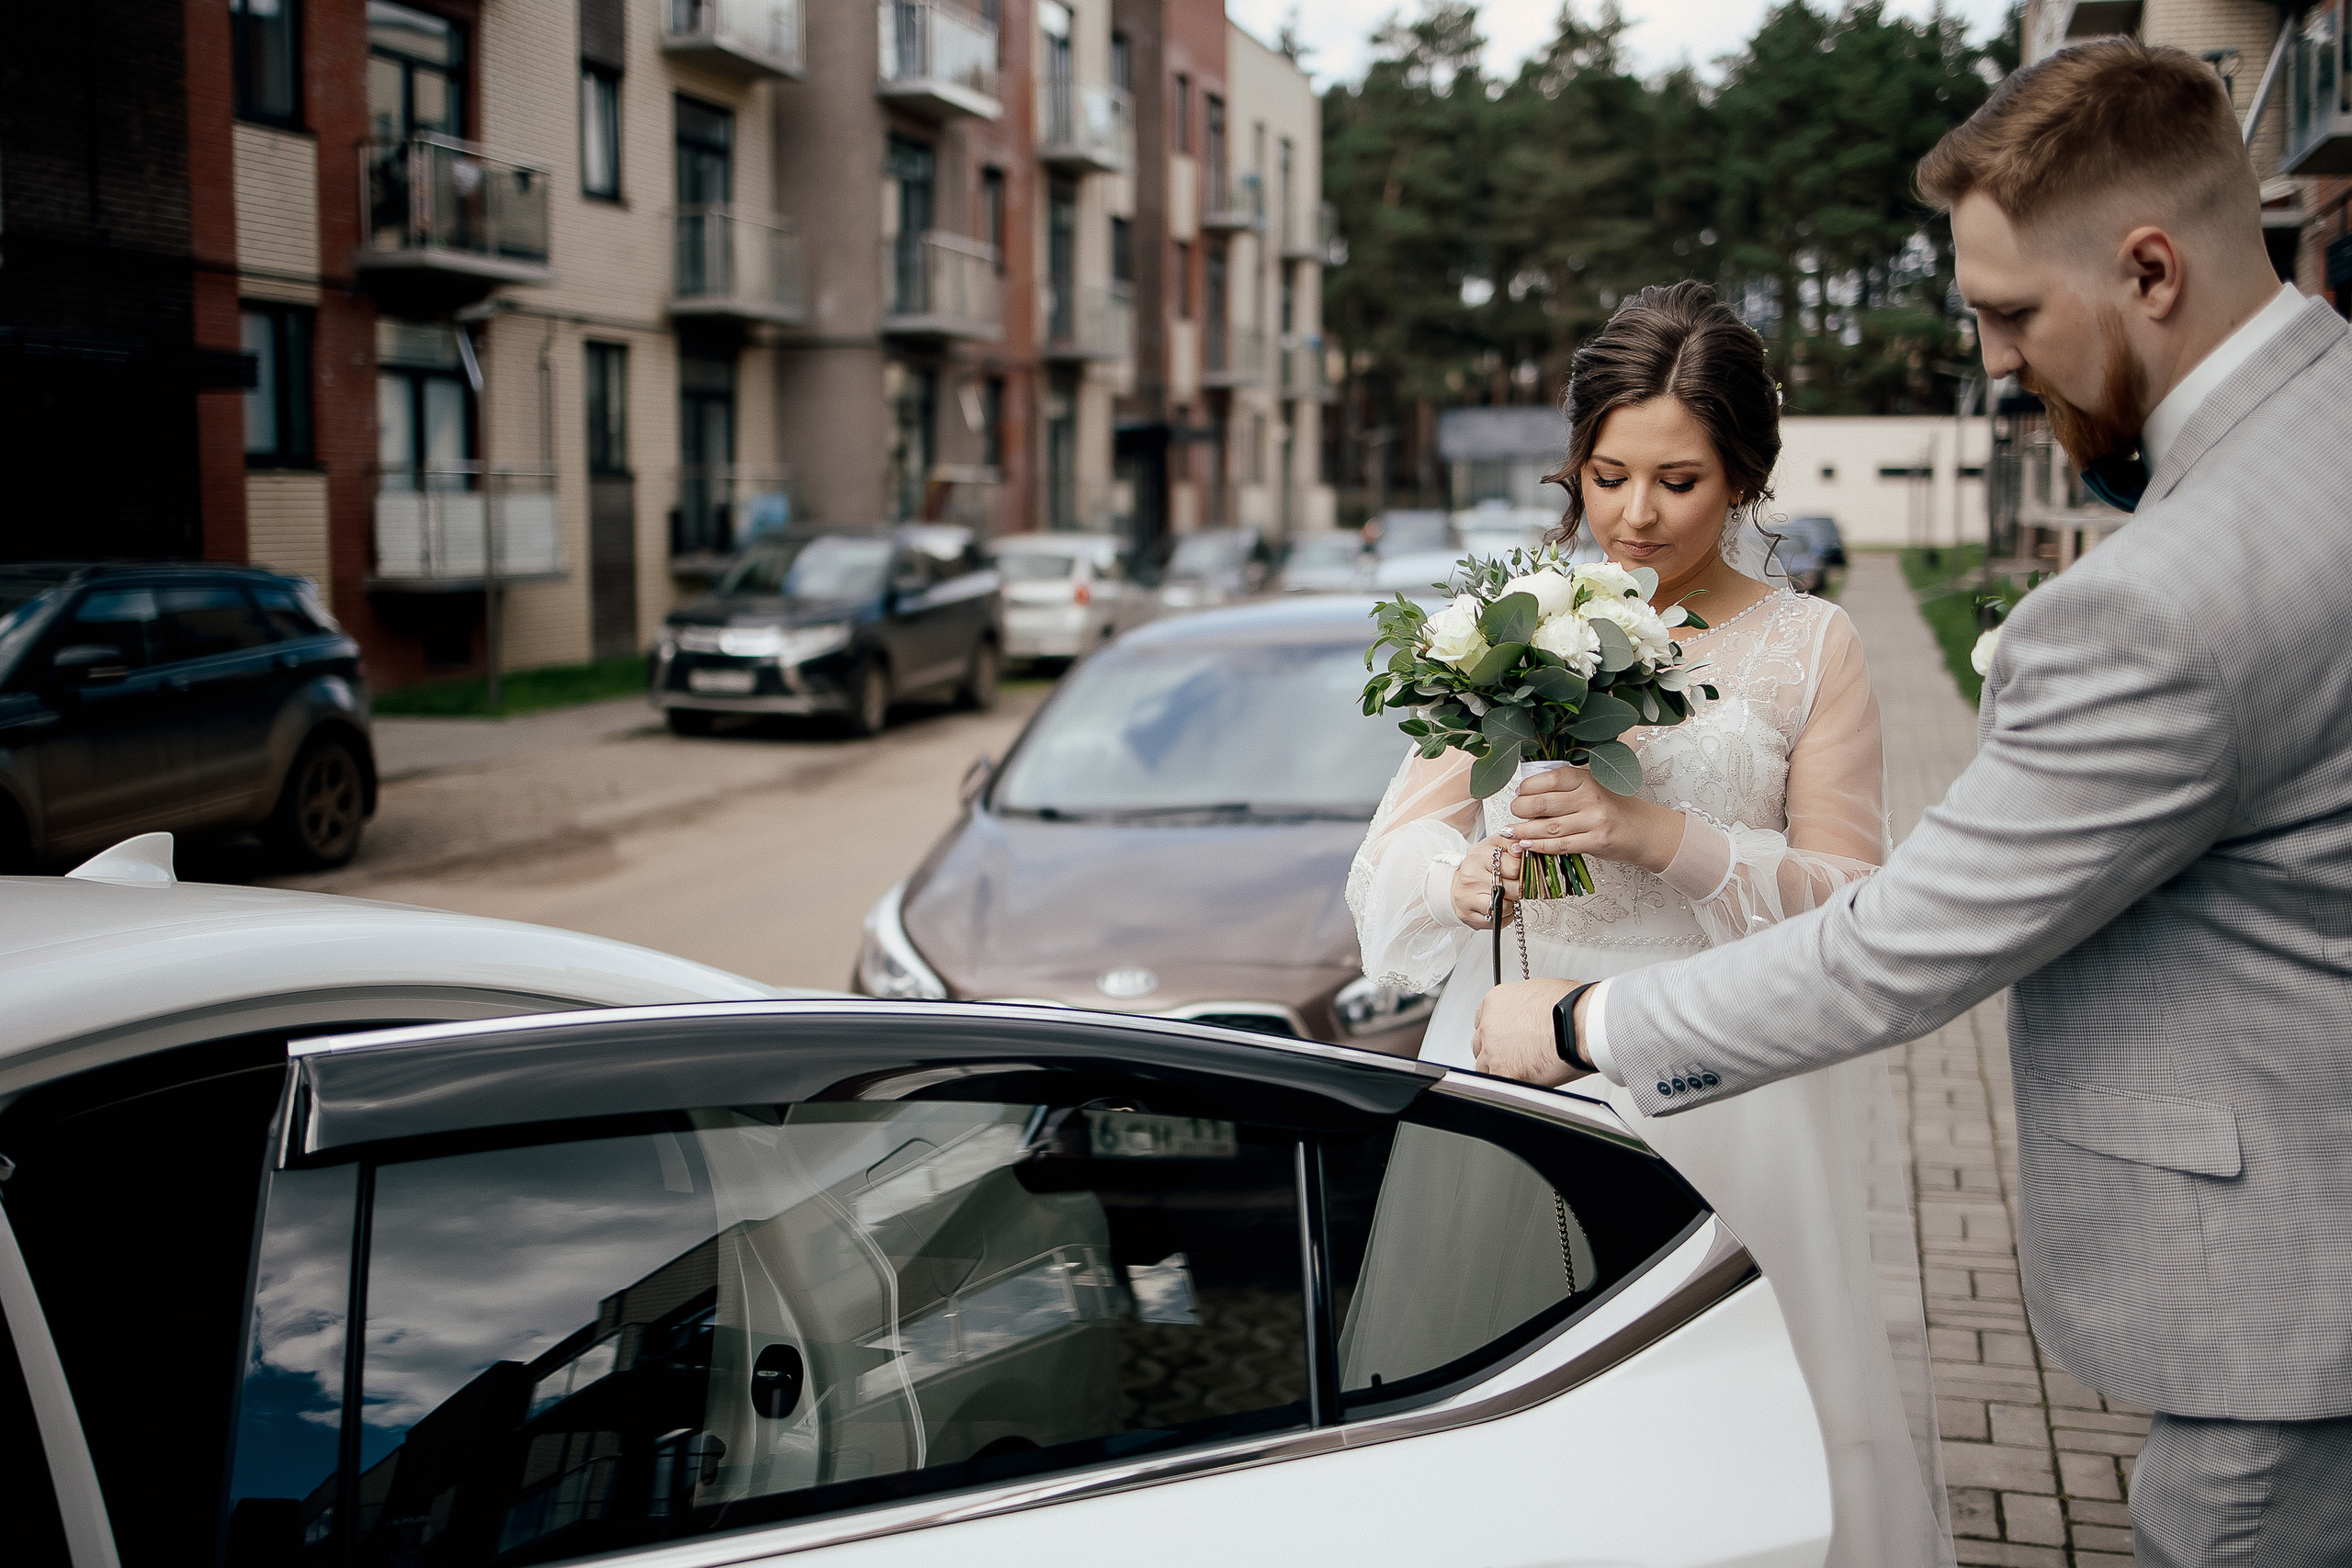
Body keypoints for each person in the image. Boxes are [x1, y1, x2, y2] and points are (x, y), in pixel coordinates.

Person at [1472, 40, 2352, 1567]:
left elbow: (1905, 942)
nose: (1999, 362)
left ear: (2150, 270)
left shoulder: (2158, 595)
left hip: (2289, 1315)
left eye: (2011, 314)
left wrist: (1575, 1029)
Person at [1348, 279, 1956, 1568]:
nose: (1632, 515)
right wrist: (1458, 883)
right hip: (1511, 1051)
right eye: (1607, 474)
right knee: (1498, 1400)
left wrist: (1659, 838)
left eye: (1677, 481)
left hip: (1719, 1065)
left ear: (1743, 474)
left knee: (1727, 1421)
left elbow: (1856, 904)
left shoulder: (1814, 648)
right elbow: (1396, 839)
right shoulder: (1513, 626)